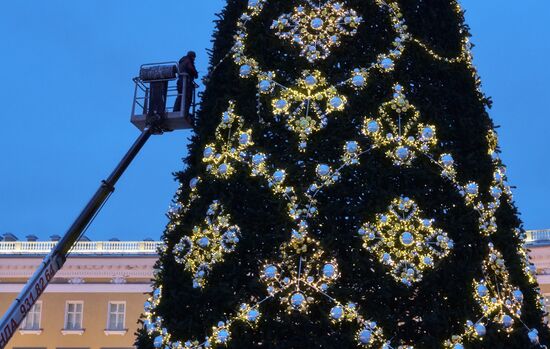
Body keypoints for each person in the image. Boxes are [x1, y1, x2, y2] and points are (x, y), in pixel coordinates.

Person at [174, 51, 198, 122]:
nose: (194, 59)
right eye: (194, 57)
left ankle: (176, 110)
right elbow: (190, 68)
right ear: (192, 56)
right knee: (187, 97)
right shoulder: (187, 60)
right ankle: (185, 112)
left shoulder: (182, 61)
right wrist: (195, 73)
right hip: (186, 82)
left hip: (181, 81)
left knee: (181, 96)